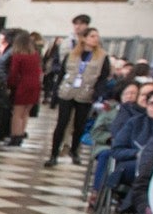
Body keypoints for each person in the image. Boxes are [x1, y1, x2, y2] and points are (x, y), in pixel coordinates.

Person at [45, 28, 109, 167]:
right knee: (61, 123)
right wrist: (54, 95)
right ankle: (53, 153)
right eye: (92, 36)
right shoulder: (72, 55)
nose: (95, 39)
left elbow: (103, 78)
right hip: (67, 92)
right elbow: (61, 74)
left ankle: (74, 150)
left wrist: (98, 95)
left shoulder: (102, 57)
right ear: (84, 38)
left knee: (79, 125)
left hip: (86, 93)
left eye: (97, 36)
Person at [6, 30, 42, 145]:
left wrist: (10, 85)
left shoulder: (18, 56)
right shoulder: (35, 55)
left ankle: (15, 137)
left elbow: (13, 73)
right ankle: (21, 134)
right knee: (26, 113)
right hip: (35, 85)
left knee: (17, 113)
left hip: (23, 85)